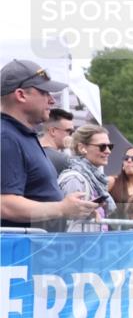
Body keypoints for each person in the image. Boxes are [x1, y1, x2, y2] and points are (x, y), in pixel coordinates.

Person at [1, 59, 96, 230]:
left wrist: (75, 208)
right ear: (21, 95)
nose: (52, 100)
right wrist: (62, 208)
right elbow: (5, 204)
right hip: (22, 246)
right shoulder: (6, 137)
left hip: (36, 244)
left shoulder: (21, 135)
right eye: (44, 92)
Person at [58, 124, 116, 232]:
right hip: (80, 241)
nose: (108, 151)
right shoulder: (75, 179)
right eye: (102, 146)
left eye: (110, 146)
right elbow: (69, 219)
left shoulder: (96, 179)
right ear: (82, 148)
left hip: (95, 240)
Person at [38, 107, 74, 174]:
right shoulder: (63, 159)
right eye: (69, 131)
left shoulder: (29, 150)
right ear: (53, 131)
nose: (71, 136)